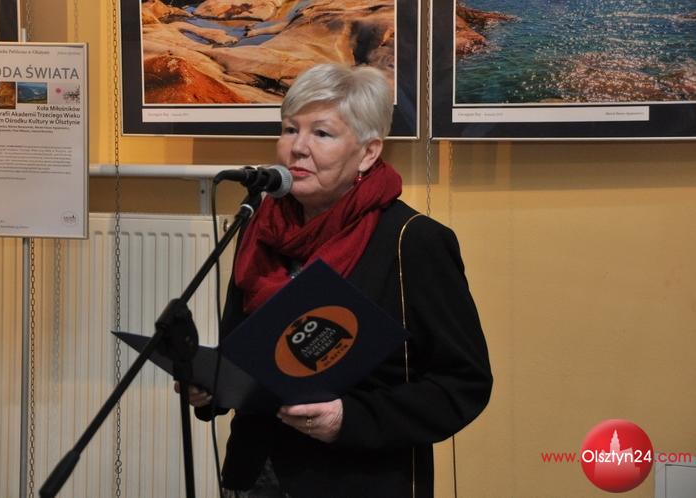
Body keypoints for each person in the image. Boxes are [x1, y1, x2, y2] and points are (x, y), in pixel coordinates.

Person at [176, 63, 492, 498]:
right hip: (254, 471)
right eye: (290, 129)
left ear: (368, 153)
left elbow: (463, 384)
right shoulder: (258, 227)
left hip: (358, 478)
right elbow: (243, 355)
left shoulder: (412, 241)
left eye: (321, 133)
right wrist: (211, 387)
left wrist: (350, 418)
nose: (297, 148)